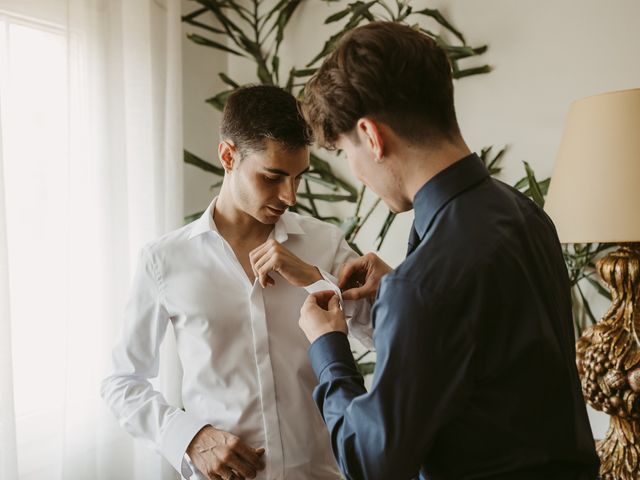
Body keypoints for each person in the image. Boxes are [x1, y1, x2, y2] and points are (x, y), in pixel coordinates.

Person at [297, 21, 600, 480]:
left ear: (372, 136)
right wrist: (406, 289)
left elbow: (372, 463)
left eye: (344, 152)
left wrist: (328, 348)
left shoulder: (423, 285)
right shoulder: (522, 213)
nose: (356, 172)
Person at [101, 85, 372, 480]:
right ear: (228, 156)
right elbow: (121, 380)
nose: (290, 196)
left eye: (298, 178)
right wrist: (190, 438)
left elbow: (389, 336)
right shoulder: (163, 261)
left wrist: (316, 280)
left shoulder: (324, 244)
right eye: (273, 177)